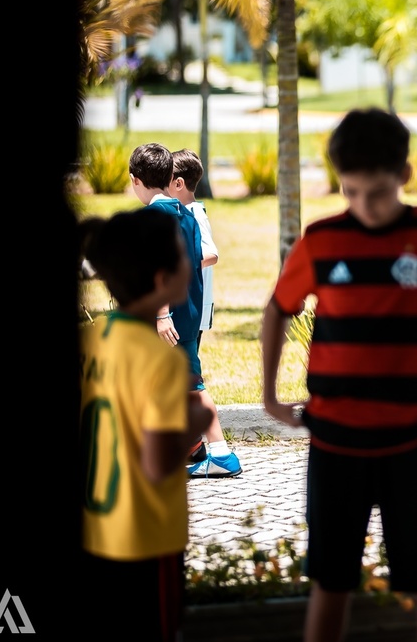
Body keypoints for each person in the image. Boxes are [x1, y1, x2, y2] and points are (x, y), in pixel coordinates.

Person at [259, 108, 417, 642]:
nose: (362, 206)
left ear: (403, 175)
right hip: (333, 444)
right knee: (330, 584)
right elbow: (277, 308)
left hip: (414, 442)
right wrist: (269, 394)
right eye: (350, 192)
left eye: (374, 192)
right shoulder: (321, 240)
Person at [78, 209, 214, 642]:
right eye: (183, 257)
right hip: (145, 540)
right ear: (162, 280)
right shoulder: (159, 361)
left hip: (94, 529)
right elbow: (158, 462)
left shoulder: (91, 338)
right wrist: (198, 420)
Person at [129, 142, 241, 478]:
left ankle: (212, 453)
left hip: (168, 318)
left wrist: (162, 314)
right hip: (189, 315)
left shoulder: (150, 218)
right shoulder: (187, 215)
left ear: (136, 181)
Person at [170, 148, 243, 476]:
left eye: (165, 180)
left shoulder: (193, 213)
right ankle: (193, 445)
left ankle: (206, 447)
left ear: (179, 183)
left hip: (193, 311)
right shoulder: (183, 212)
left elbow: (211, 253)